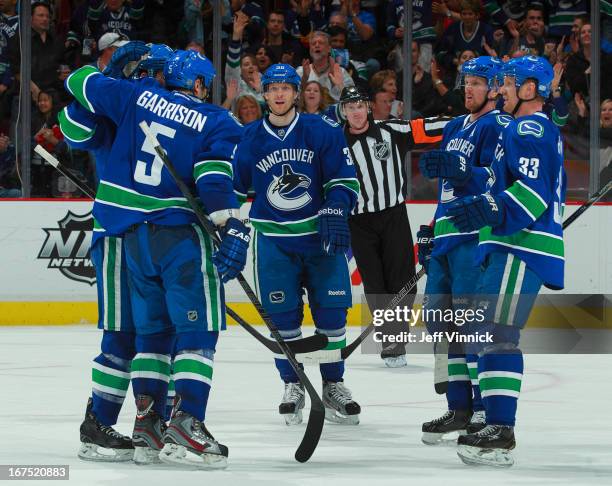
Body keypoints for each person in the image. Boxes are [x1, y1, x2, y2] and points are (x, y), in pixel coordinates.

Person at [65, 49, 247, 469]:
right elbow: (214, 178)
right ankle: (185, 422)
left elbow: (77, 82)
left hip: (130, 236)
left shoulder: (132, 96)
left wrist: (107, 75)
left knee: (151, 333)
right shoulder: (217, 120)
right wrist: (230, 222)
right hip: (176, 231)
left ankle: (149, 424)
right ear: (201, 84)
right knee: (194, 331)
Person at [59, 42, 177, 464]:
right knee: (123, 333)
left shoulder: (167, 108)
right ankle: (99, 421)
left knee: (164, 332)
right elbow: (70, 125)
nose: (156, 80)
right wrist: (108, 89)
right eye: (147, 72)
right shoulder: (118, 107)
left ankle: (153, 417)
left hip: (164, 235)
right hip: (118, 233)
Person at [445, 56, 566, 467]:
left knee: (497, 332)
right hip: (507, 241)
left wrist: (490, 212)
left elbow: (532, 195)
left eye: (509, 84)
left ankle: (502, 429)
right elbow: (508, 187)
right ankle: (492, 420)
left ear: (531, 88)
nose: (501, 91)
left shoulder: (529, 127)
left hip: (522, 243)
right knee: (484, 330)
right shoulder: (521, 129)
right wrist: (481, 203)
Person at [233, 63, 362, 426]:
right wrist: (224, 223)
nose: (278, 94)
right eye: (272, 88)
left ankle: (333, 384)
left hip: (320, 240)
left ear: (296, 91)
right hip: (274, 243)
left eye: (285, 88)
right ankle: (293, 384)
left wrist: (337, 205)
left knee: (333, 318)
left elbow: (344, 179)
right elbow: (236, 192)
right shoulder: (249, 138)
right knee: (283, 320)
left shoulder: (321, 129)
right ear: (265, 93)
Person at [417, 56, 512, 445]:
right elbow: (446, 188)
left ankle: (484, 408)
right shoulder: (456, 125)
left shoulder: (497, 126)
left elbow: (496, 178)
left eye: (477, 82)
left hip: (473, 236)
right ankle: (459, 407)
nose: (468, 89)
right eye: (466, 82)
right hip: (447, 236)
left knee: (474, 325)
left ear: (493, 89)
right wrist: (430, 229)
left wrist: (465, 172)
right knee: (442, 325)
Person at [340, 86, 449, 367]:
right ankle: (389, 337)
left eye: (360, 105)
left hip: (393, 215)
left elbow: (425, 128)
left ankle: (395, 338)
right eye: (350, 107)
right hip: (358, 222)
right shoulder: (335, 142)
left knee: (402, 280)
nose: (356, 111)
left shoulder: (390, 131)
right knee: (375, 283)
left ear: (368, 107)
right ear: (344, 111)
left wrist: (463, 122)